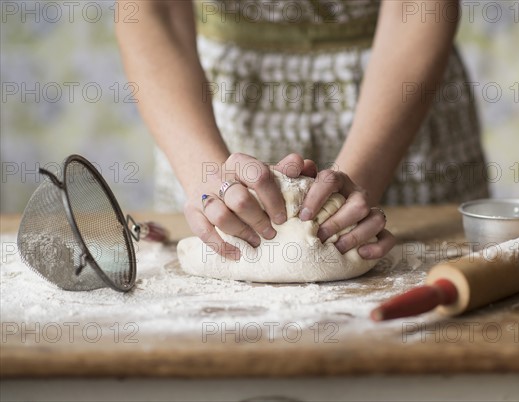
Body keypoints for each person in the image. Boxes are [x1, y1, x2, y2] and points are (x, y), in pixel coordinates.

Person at [116, 0, 489, 261]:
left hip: (396, 102)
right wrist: (207, 174)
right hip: (210, 108)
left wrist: (354, 188)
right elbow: (152, 9)